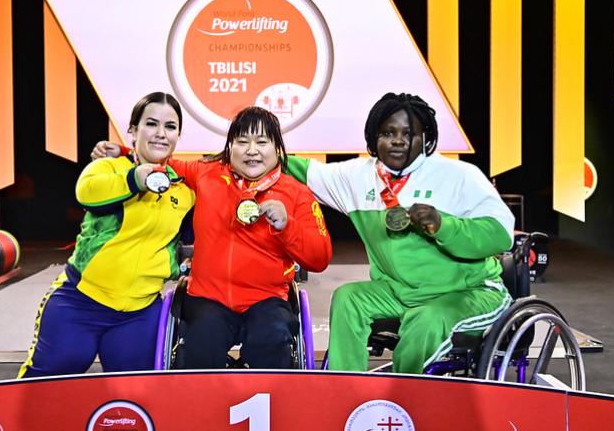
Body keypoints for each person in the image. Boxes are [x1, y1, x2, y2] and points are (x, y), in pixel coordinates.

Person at [285, 92, 515, 373]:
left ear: (425, 139)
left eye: (409, 133)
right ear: (373, 137)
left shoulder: (459, 175)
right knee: (349, 298)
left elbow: (501, 234)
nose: (397, 140)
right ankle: (346, 393)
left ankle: (399, 404)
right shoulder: (357, 176)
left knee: (427, 320)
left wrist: (444, 225)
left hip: (467, 292)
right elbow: (301, 170)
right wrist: (253, 153)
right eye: (388, 132)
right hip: (397, 291)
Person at [93, 106, 332, 369]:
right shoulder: (208, 173)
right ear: (230, 147)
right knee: (199, 347)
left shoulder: (297, 193)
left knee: (272, 342)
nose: (252, 150)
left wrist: (288, 225)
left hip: (267, 300)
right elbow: (165, 163)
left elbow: (319, 258)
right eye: (242, 142)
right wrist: (126, 153)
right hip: (208, 298)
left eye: (262, 142)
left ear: (277, 149)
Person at [18, 92, 194, 377]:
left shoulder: (184, 188)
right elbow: (86, 193)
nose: (161, 134)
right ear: (133, 130)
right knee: (43, 387)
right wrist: (135, 178)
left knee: (135, 402)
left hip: (141, 312)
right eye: (151, 124)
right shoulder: (107, 167)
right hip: (79, 302)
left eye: (170, 127)